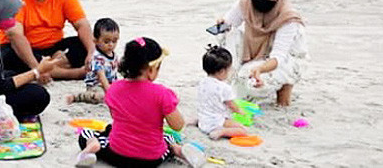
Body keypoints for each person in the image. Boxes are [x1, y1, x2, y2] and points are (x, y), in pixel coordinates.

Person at [74, 37, 205, 168]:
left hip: (118, 155)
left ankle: (90, 148)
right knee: (167, 138)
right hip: (152, 159)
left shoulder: (114, 89)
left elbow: (116, 116)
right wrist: (171, 105)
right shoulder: (162, 93)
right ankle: (178, 150)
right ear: (151, 69)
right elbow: (178, 125)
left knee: (87, 133)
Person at [215, 0, 307, 106]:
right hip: (255, 54)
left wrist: (260, 69)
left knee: (249, 82)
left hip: (286, 59)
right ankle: (231, 80)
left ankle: (284, 88)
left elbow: (279, 56)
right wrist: (222, 24)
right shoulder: (246, 5)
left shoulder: (288, 18)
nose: (260, 0)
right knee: (228, 34)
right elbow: (229, 23)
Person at [0, 0, 95, 80]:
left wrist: (91, 52)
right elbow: (15, 35)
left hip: (53, 47)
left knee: (86, 44)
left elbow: (82, 24)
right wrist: (37, 68)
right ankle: (72, 73)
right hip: (20, 48)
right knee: (8, 58)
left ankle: (51, 66)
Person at [197, 45, 248, 140]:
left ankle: (193, 121)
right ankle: (221, 132)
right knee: (242, 130)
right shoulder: (224, 88)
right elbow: (232, 105)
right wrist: (241, 112)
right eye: (229, 69)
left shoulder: (202, 82)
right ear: (222, 71)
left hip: (202, 120)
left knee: (207, 112)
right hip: (216, 122)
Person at [67, 18, 119, 104]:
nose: (111, 44)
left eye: (114, 41)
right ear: (95, 41)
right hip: (97, 85)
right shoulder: (97, 58)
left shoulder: (113, 54)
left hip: (111, 83)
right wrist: (109, 90)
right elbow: (101, 76)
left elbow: (117, 67)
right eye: (106, 42)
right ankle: (77, 97)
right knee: (100, 97)